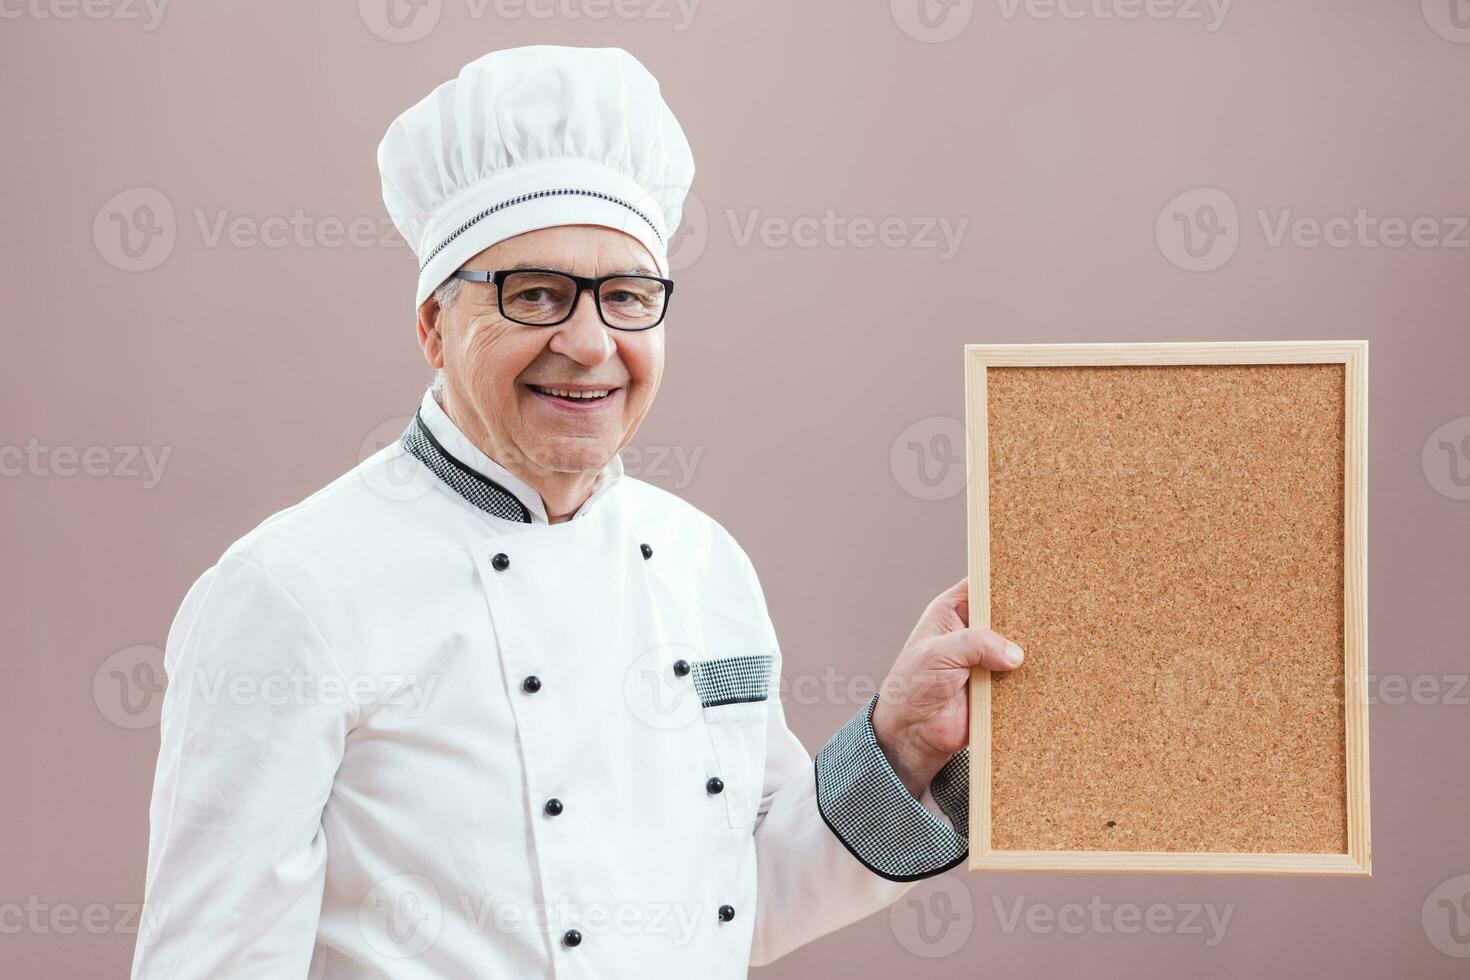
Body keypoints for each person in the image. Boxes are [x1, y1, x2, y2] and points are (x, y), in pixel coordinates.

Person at [130, 44, 1024, 978]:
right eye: (536, 294)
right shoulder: (291, 594)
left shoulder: (701, 562)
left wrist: (901, 742)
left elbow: (734, 907)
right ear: (434, 325)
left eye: (628, 296)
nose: (591, 343)